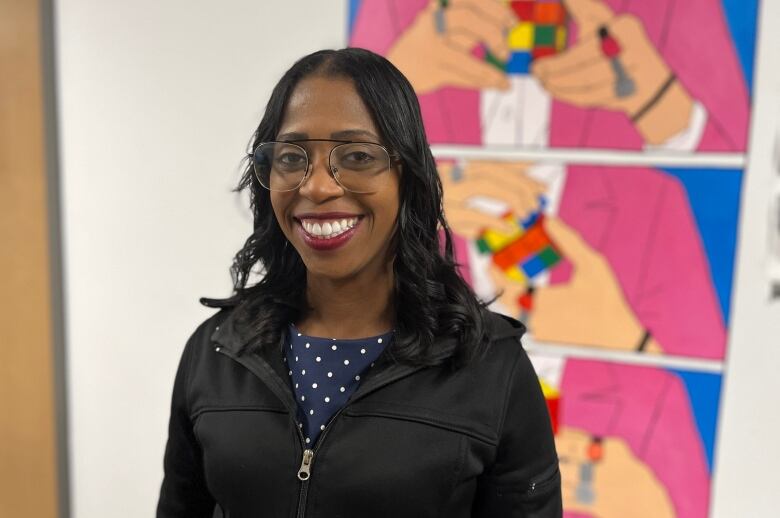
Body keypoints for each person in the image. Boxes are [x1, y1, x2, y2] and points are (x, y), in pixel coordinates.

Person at [156, 48, 561, 517]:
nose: (318, 187)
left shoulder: (491, 365)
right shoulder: (218, 349)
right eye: (292, 157)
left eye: (357, 156)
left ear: (406, 176)